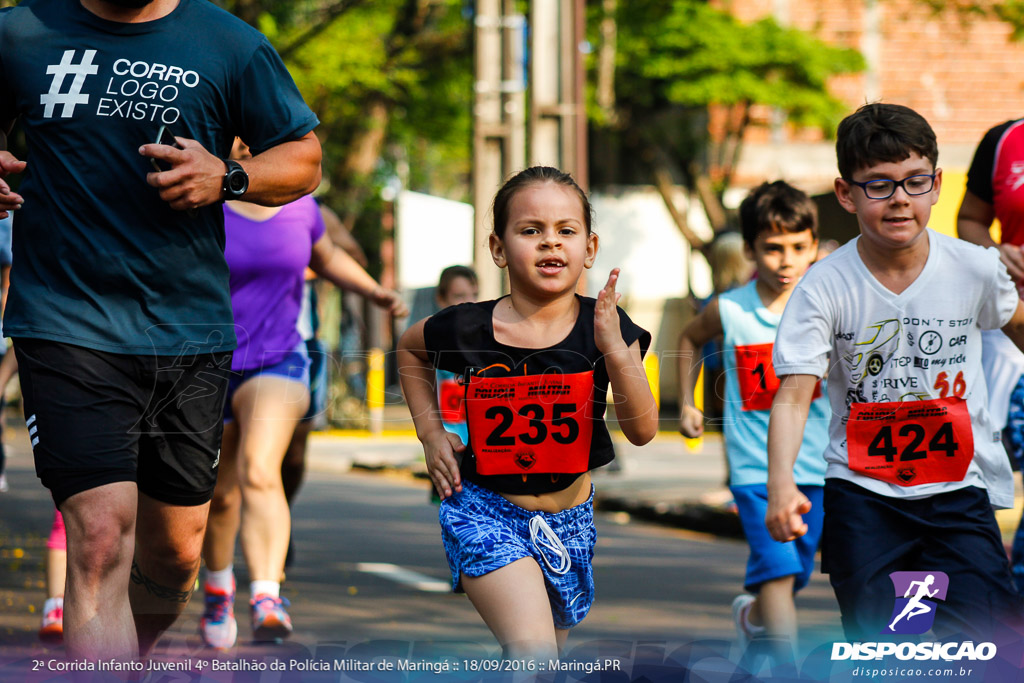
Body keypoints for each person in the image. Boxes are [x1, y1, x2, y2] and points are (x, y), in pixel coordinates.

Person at [0, 0, 322, 661]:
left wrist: (229, 175)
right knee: (98, 538)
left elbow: (304, 158)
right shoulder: (20, 31)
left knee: (176, 555)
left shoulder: (229, 44)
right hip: (66, 320)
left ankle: (131, 657)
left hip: (188, 331)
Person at [766, 102, 1024, 641]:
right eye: (878, 185)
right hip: (863, 497)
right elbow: (793, 394)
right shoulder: (824, 286)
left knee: (987, 647)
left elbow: (1015, 320)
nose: (900, 198)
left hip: (957, 491)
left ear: (936, 185)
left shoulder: (975, 268)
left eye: (914, 181)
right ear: (846, 193)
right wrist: (782, 483)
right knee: (886, 650)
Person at [397, 166, 658, 660]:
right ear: (498, 249)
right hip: (486, 512)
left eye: (566, 231)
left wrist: (615, 349)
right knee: (535, 656)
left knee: (540, 662)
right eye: (531, 231)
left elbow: (642, 431)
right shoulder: (468, 326)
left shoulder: (605, 325)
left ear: (591, 247)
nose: (550, 244)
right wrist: (430, 433)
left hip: (571, 522)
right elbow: (409, 349)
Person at [199, 139, 407, 650]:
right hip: (206, 362)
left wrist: (372, 290)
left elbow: (328, 255)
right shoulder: (203, 201)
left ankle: (267, 596)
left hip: (279, 358)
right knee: (219, 495)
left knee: (258, 470)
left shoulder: (302, 207)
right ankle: (218, 588)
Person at [678, 181, 828, 656]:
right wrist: (689, 400)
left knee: (796, 570)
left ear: (814, 246)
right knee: (781, 572)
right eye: (773, 248)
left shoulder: (828, 304)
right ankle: (787, 668)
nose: (787, 260)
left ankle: (753, 616)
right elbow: (686, 339)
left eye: (798, 247)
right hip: (755, 471)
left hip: (820, 467)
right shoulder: (730, 309)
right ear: (749, 249)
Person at [957, 118, 1024, 592]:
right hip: (1007, 331)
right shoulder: (1003, 141)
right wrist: (996, 252)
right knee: (978, 473)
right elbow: (969, 221)